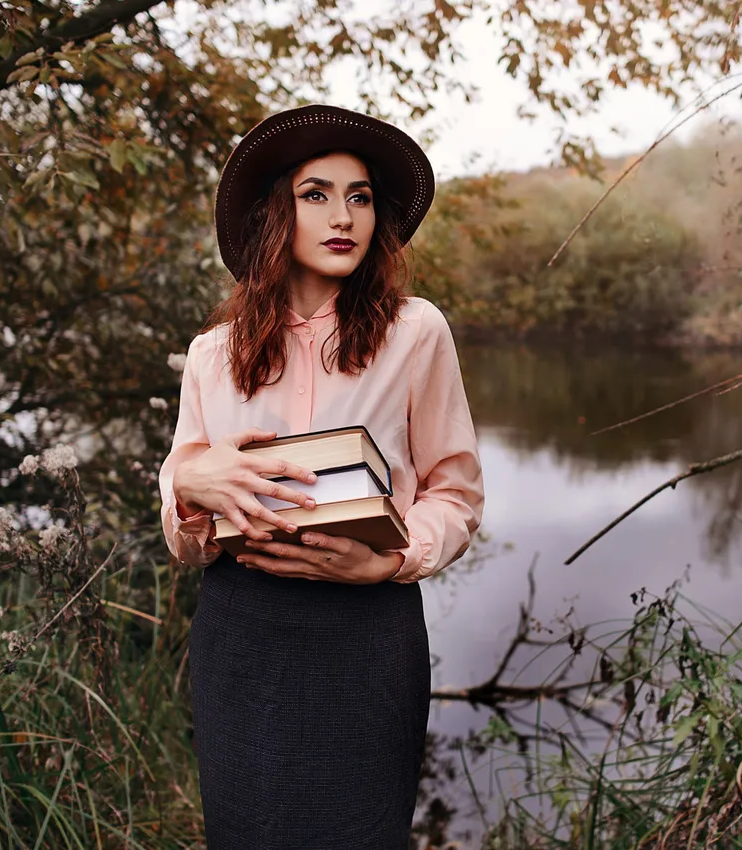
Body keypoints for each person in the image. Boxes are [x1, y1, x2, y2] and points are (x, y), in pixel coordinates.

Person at [156, 104, 485, 849]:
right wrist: (192, 487)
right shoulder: (213, 352)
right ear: (278, 212)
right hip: (243, 630)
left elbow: (456, 494)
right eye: (317, 194)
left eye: (360, 196)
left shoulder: (416, 331)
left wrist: (391, 561)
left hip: (367, 635)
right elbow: (184, 521)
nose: (344, 216)